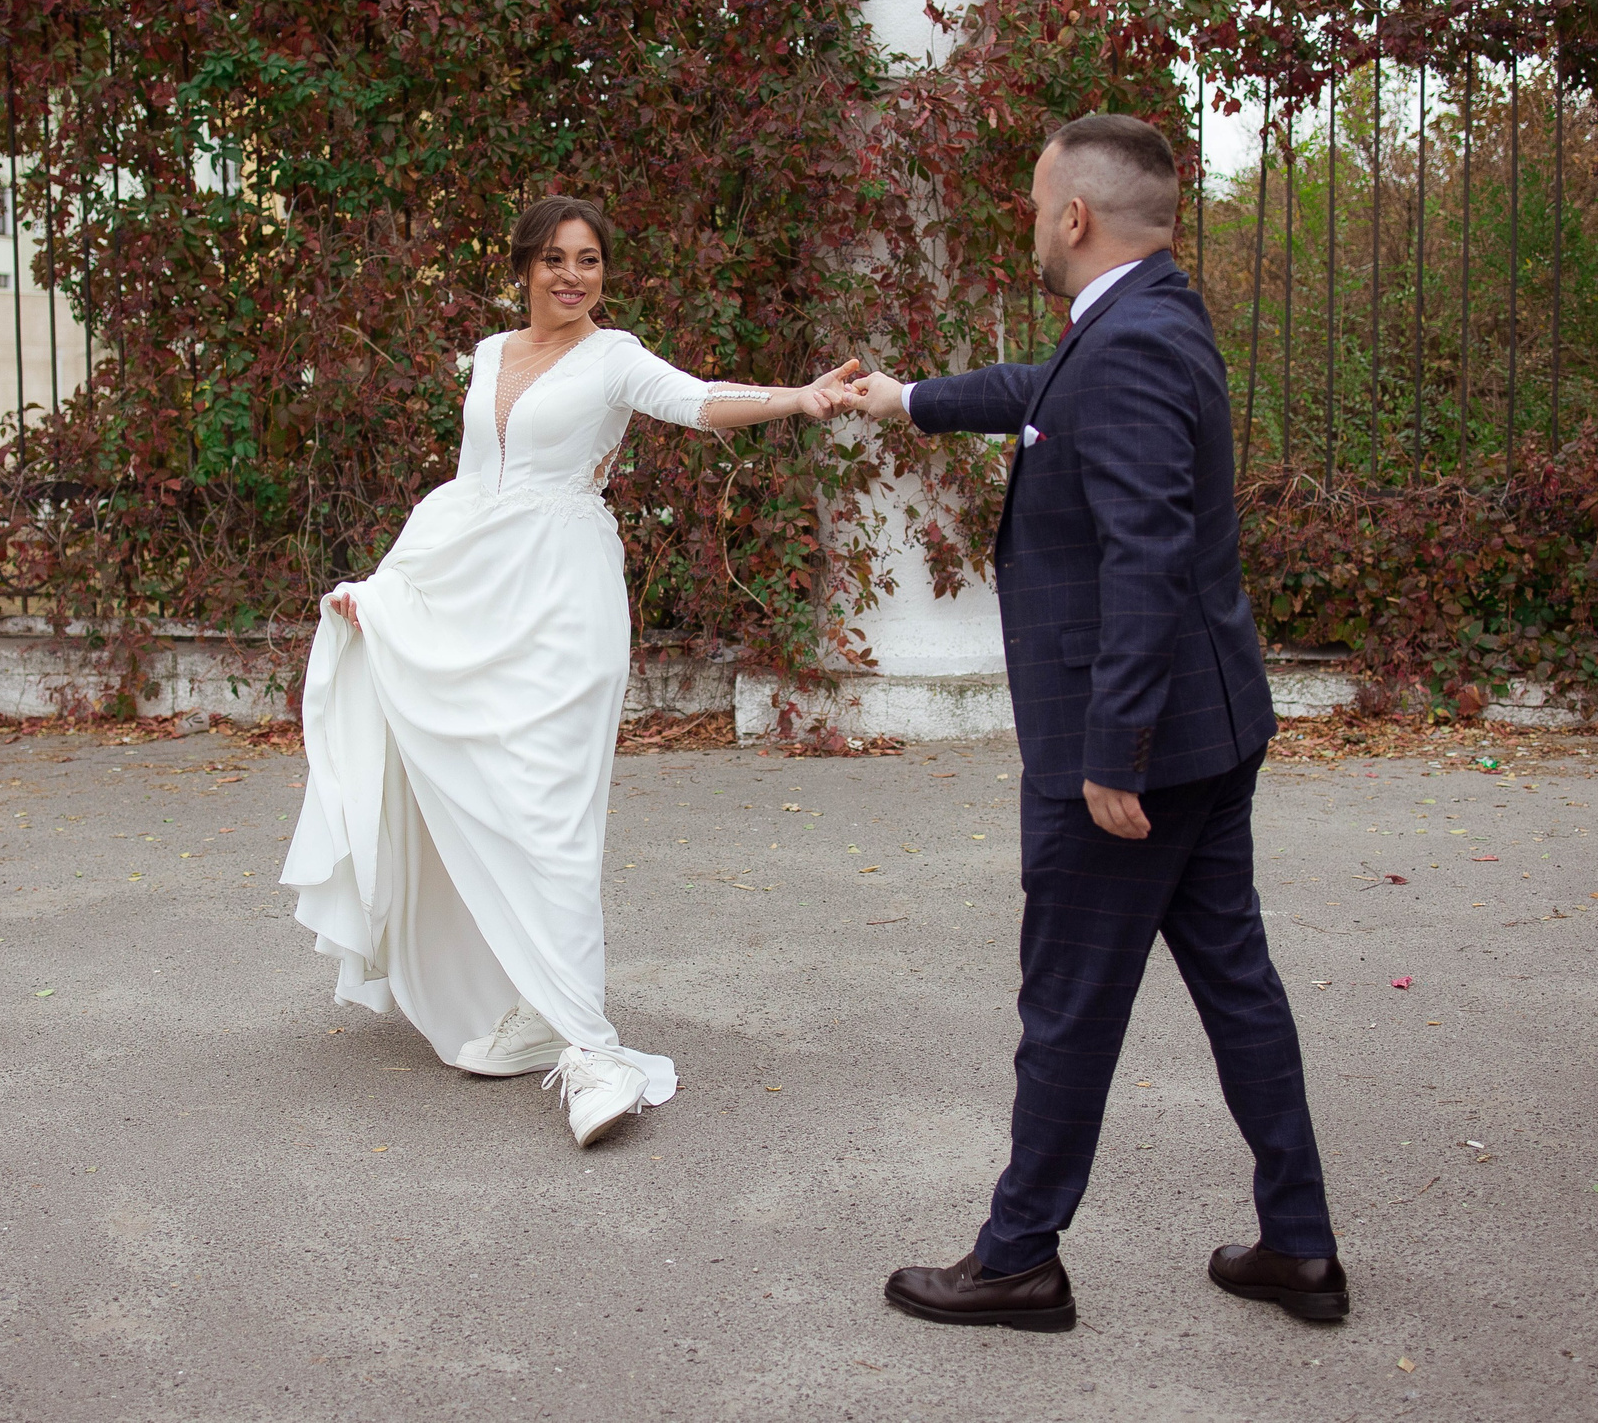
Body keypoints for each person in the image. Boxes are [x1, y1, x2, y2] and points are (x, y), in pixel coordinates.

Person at [835, 113, 1346, 1330]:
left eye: (1032, 202)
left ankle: (1017, 1257)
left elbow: (1146, 552)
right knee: (1237, 985)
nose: (1027, 221)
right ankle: (1300, 1245)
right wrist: (907, 398)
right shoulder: (1149, 316)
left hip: (1138, 754)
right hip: (1211, 732)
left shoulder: (1124, 344)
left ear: (1075, 216)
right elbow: (1042, 395)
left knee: (1066, 998)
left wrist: (1112, 750)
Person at [281, 195, 857, 1148]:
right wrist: (387, 591)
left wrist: (799, 398)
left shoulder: (614, 358)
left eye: (588, 260)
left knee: (550, 811)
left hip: (563, 601)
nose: (572, 276)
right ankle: (534, 1004)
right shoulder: (488, 355)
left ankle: (589, 1050)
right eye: (554, 259)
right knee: (472, 796)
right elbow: (467, 491)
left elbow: (700, 400)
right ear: (525, 266)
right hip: (471, 593)